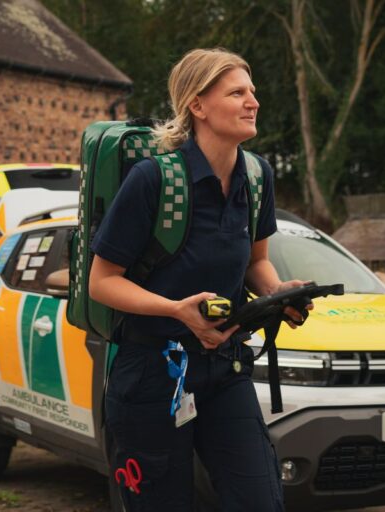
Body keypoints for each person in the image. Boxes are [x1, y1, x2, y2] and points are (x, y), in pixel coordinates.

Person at [89, 48, 309, 511]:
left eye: (252, 92)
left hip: (224, 369)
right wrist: (175, 310)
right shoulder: (153, 180)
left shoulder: (256, 176)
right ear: (198, 105)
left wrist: (278, 293)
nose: (253, 102)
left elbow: (256, 262)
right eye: (237, 92)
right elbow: (102, 281)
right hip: (152, 373)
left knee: (260, 501)